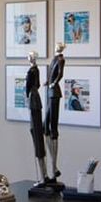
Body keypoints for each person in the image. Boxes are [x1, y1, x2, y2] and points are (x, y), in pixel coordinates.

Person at [25, 51, 49, 185]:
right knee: (36, 130)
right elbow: (38, 85)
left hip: (33, 100)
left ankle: (43, 176)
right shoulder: (37, 70)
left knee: (35, 130)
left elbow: (28, 87)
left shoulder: (31, 71)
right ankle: (43, 174)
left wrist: (28, 95)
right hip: (36, 99)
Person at [43, 42, 65, 182]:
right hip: (50, 92)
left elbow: (60, 74)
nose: (56, 47)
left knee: (52, 127)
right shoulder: (54, 58)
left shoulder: (61, 59)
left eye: (59, 46)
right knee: (45, 126)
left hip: (54, 93)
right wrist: (47, 81)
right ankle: (53, 167)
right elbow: (51, 73)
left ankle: (53, 166)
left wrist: (53, 83)